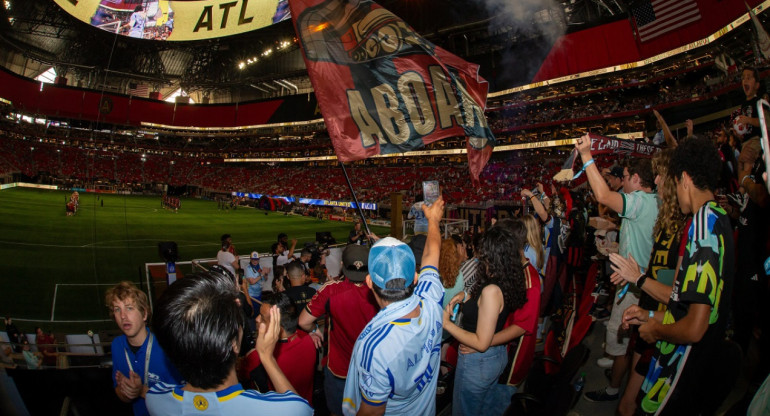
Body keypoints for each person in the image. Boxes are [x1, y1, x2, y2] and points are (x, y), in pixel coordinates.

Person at [622, 136, 734, 415]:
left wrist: (655, 329)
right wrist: (649, 316)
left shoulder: (702, 226)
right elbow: (695, 307)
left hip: (682, 375)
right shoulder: (719, 217)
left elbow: (695, 327)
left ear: (684, 178)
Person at [145, 271, 313, 415]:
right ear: (233, 343)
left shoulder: (154, 400)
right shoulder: (273, 410)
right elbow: (300, 408)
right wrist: (266, 356)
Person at [341, 196, 446, 416]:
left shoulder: (374, 347)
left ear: (369, 282)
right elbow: (431, 255)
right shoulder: (432, 300)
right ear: (415, 278)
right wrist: (434, 220)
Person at [575, 134, 659, 404]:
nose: (623, 183)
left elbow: (602, 194)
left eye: (625, 178)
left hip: (634, 283)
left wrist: (587, 156)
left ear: (636, 178)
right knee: (630, 337)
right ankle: (619, 368)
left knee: (620, 335)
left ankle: (613, 388)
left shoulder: (640, 201)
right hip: (642, 278)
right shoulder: (655, 201)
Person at [606, 149, 687, 416]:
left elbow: (680, 295)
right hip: (653, 310)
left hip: (665, 323)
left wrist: (639, 278)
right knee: (632, 397)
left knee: (639, 400)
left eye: (662, 177)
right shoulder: (665, 222)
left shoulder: (686, 229)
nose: (658, 183)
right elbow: (657, 269)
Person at [443, 219, 528, 416]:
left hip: (479, 362)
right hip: (493, 357)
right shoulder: (502, 278)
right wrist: (465, 296)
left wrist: (446, 323)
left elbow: (481, 343)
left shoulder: (492, 290)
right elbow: (486, 304)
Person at [298, 244, 378, 416]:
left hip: (339, 370)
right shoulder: (380, 290)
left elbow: (304, 322)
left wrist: (314, 331)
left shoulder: (331, 290)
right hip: (372, 370)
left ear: (342, 263)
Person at [105, 282, 181, 416]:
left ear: (144, 314)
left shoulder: (166, 347)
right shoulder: (117, 345)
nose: (123, 316)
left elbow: (181, 401)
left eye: (129, 308)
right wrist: (127, 392)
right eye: (117, 309)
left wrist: (141, 391)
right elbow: (119, 392)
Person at [241, 293, 316, 404]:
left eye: (262, 317)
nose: (257, 319)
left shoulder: (258, 357)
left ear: (277, 328)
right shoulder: (309, 340)